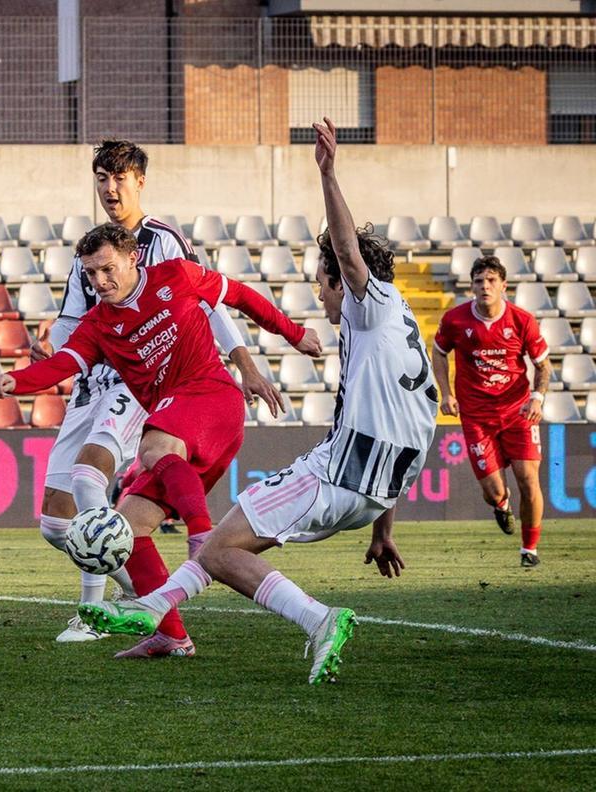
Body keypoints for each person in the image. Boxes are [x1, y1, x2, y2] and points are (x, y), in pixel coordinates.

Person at [76, 118, 438, 685]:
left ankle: (319, 619)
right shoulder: (398, 330)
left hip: (337, 473)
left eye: (322, 281)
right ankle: (152, 612)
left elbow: (344, 247)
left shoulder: (370, 302)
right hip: (380, 488)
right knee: (224, 546)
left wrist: (327, 172)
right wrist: (382, 528)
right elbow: (398, 430)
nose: (320, 293)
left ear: (344, 279)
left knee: (218, 549)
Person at [0, 222, 319, 660]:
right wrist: (16, 380)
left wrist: (294, 335)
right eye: (90, 274)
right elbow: (61, 365)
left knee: (151, 448)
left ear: (132, 258)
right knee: (129, 530)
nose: (100, 282)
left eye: (107, 269)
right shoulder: (98, 325)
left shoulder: (176, 276)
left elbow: (240, 295)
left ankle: (202, 537)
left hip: (211, 397)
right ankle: (172, 635)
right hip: (179, 422)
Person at [35, 139, 282, 648]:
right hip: (90, 384)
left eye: (119, 178)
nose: (109, 188)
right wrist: (55, 348)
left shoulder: (163, 241)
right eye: (101, 178)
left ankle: (94, 609)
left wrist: (245, 364)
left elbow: (211, 301)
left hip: (141, 380)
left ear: (140, 181)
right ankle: (147, 601)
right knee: (54, 523)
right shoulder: (89, 249)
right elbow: (71, 320)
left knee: (88, 476)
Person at [432, 256, 550, 566]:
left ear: (503, 286)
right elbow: (439, 352)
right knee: (493, 491)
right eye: (479, 281)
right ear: (471, 286)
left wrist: (537, 398)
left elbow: (543, 365)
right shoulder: (456, 320)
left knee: (528, 479)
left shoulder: (522, 320)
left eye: (491, 281)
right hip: (476, 417)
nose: (485, 286)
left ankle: (530, 550)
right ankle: (501, 505)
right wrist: (446, 393)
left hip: (518, 412)